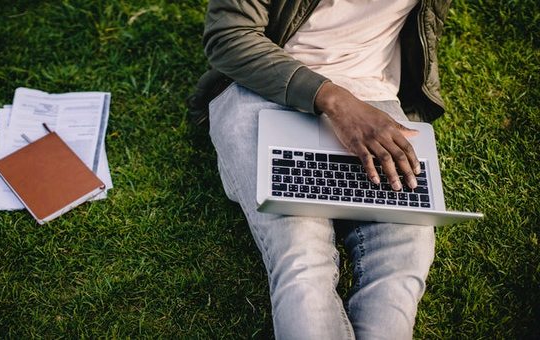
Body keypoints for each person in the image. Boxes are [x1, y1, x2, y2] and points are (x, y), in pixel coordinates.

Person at [189, 0, 451, 338]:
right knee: (303, 258)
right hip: (265, 90)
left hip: (376, 100)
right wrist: (337, 102)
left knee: (405, 258)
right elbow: (229, 37)